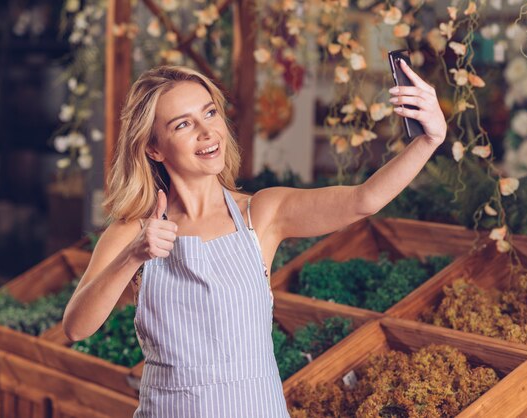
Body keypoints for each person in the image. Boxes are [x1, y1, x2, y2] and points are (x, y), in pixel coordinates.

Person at [62, 61, 446, 417]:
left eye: (210, 112)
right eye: (183, 124)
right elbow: (76, 327)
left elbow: (364, 200)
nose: (207, 131)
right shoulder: (133, 231)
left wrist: (429, 139)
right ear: (153, 147)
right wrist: (132, 256)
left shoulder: (261, 214)